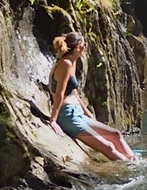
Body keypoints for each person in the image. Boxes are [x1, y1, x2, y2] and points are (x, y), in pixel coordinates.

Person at [47, 31, 133, 161]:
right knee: (108, 146)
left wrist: (86, 111)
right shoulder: (66, 64)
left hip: (77, 113)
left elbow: (73, 90)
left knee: (115, 134)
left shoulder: (72, 61)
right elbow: (59, 93)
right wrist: (53, 120)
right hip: (67, 116)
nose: (86, 47)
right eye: (84, 44)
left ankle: (134, 160)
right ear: (77, 48)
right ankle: (130, 166)